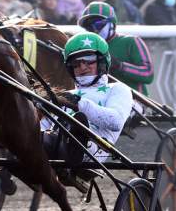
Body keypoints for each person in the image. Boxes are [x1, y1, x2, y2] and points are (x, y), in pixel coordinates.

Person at [46, 31, 133, 162]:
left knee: (77, 122)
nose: (82, 67)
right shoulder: (67, 94)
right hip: (56, 146)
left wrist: (79, 105)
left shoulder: (118, 89)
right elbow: (44, 125)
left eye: (88, 61)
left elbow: (116, 122)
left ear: (102, 62)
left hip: (93, 153)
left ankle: (70, 141)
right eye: (76, 63)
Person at [77, 1, 154, 96]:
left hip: (135, 104)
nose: (94, 30)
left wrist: (119, 66)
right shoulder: (84, 49)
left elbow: (148, 74)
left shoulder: (131, 41)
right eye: (89, 27)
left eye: (98, 25)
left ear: (112, 23)